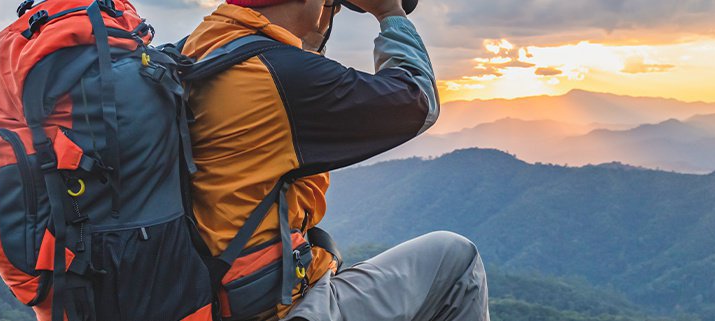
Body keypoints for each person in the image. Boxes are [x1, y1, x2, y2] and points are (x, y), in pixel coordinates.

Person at [179, 0, 490, 320]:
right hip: (273, 309)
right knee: (457, 259)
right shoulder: (282, 78)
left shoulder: (201, 46)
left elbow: (295, 84)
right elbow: (417, 101)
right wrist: (389, 13)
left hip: (210, 294)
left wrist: (313, 31)